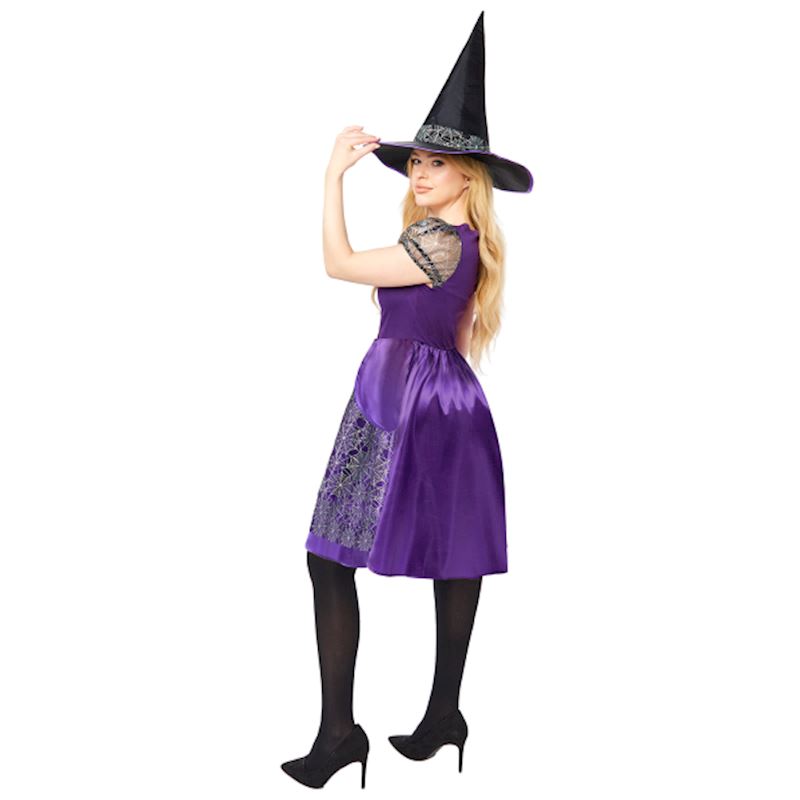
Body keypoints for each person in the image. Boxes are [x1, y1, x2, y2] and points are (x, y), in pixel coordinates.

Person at [280, 12, 534, 789]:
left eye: (436, 162)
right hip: (427, 396)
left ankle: (343, 734)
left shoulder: (441, 242)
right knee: (445, 556)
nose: (420, 172)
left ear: (468, 176)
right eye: (416, 161)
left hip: (411, 400)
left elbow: (338, 263)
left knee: (334, 556)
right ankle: (440, 716)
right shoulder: (455, 240)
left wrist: (331, 177)